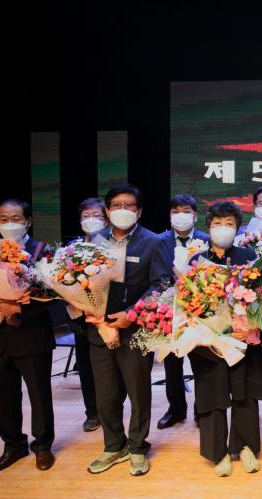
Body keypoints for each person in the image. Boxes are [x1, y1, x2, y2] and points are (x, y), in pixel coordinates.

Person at [84, 184, 171, 477]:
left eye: (129, 205)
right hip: (99, 330)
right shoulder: (93, 241)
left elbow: (161, 285)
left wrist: (131, 314)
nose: (123, 210)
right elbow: (79, 281)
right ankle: (113, 445)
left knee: (138, 393)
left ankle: (137, 446)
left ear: (139, 211)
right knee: (105, 396)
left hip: (134, 332)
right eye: (116, 205)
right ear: (108, 211)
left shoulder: (153, 242)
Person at [0, 199, 56, 473]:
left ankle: (42, 446)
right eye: (3, 219)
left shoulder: (43, 252)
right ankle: (13, 445)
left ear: (28, 221)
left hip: (32, 335)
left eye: (16, 218)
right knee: (3, 395)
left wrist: (18, 309)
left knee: (39, 395)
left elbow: (53, 298)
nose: (9, 223)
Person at [187, 201, 262, 477]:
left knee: (244, 392)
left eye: (229, 224)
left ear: (237, 227)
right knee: (212, 393)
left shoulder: (249, 256)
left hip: (243, 338)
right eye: (217, 223)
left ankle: (245, 446)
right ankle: (216, 451)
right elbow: (185, 300)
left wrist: (249, 324)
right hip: (207, 342)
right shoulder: (196, 260)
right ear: (208, 227)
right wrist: (205, 330)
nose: (223, 228)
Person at [156, 194, 210, 430]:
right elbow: (155, 273)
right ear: (169, 216)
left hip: (199, 311)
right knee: (172, 363)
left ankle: (202, 409)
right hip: (168, 310)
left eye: (186, 211)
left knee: (201, 362)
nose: (181, 216)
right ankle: (176, 409)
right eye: (176, 211)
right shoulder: (158, 241)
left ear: (195, 216)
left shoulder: (207, 240)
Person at [69, 198, 109, 432]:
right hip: (80, 316)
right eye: (86, 216)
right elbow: (60, 280)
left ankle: (110, 407)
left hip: (107, 317)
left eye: (97, 216)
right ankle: (92, 412)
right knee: (85, 365)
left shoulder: (113, 248)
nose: (91, 220)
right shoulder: (71, 249)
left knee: (111, 367)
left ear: (106, 220)